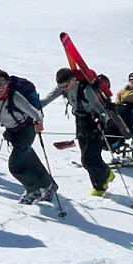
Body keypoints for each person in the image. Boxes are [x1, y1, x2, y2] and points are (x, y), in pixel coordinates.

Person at [0, 70, 56, 204]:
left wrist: (39, 124)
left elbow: (36, 113)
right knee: (29, 159)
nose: (0, 86)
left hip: (26, 130)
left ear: (8, 84)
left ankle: (33, 190)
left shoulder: (15, 96)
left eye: (3, 83)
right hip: (12, 132)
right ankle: (48, 185)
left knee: (15, 165)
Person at [41, 68, 114, 196]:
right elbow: (47, 99)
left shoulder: (86, 90)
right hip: (80, 122)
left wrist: (102, 123)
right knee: (88, 154)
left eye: (66, 86)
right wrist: (31, 108)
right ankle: (107, 174)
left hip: (93, 123)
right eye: (61, 86)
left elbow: (101, 109)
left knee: (88, 158)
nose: (64, 89)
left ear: (73, 80)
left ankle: (100, 186)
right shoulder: (63, 88)